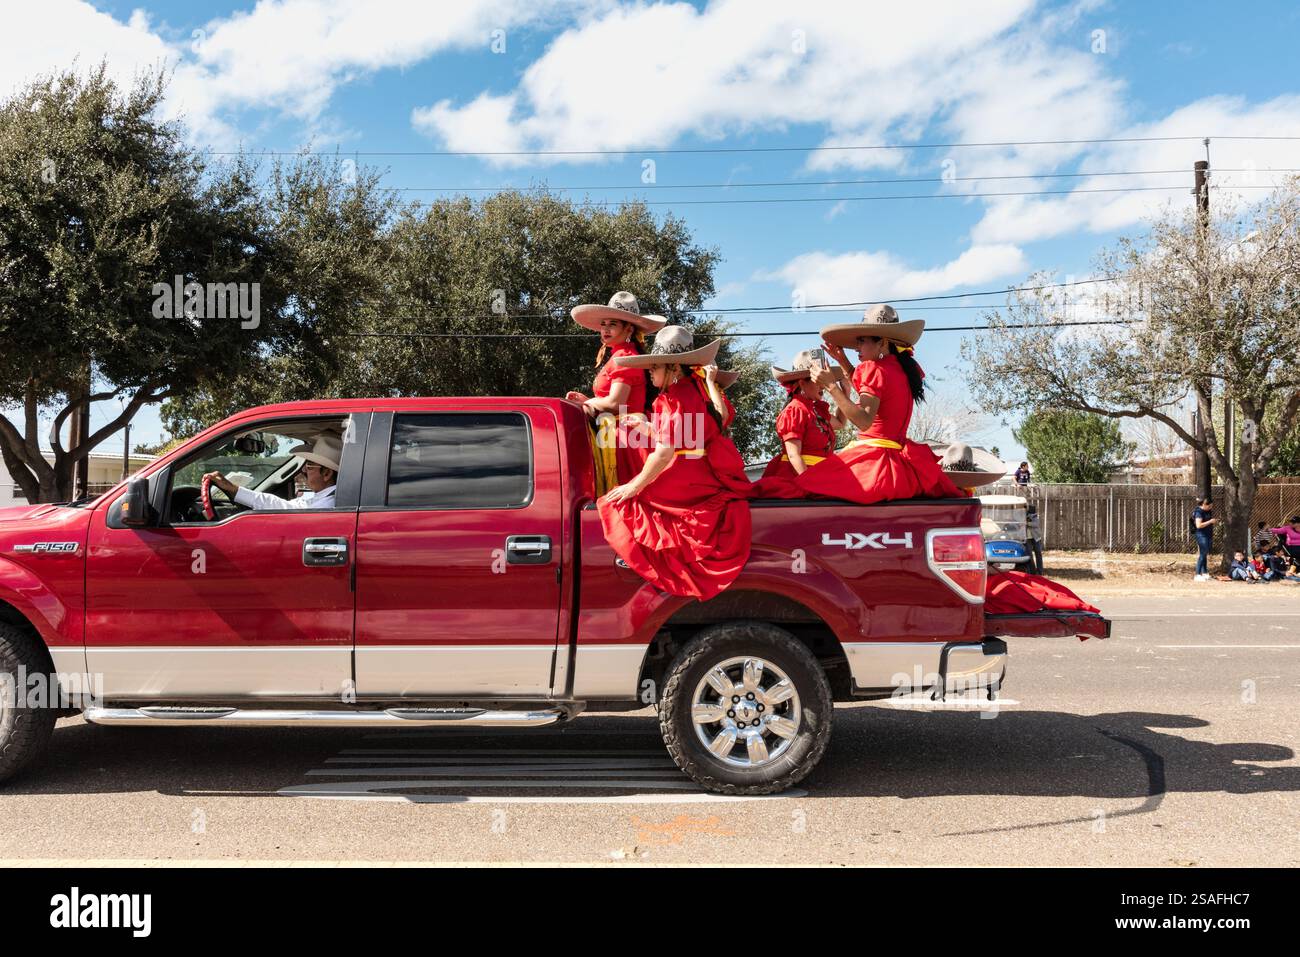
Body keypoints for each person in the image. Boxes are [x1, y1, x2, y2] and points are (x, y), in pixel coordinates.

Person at [597, 326, 752, 600]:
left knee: (615, 504)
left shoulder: (674, 397)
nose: (650, 372)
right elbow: (687, 437)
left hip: (683, 479)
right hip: (699, 475)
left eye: (654, 366)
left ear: (673, 368)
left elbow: (666, 451)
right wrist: (646, 428)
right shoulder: (697, 390)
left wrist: (633, 486)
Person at [792, 305, 970, 503]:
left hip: (874, 462)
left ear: (882, 342)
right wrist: (843, 361)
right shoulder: (900, 369)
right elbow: (873, 390)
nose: (856, 347)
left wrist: (832, 387)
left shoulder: (874, 369)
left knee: (802, 486)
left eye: (861, 341)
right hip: (900, 461)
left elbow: (864, 421)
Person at [567, 291, 667, 486]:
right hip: (618, 433)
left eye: (612, 324)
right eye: (603, 324)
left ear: (629, 329)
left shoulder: (626, 357)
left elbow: (615, 403)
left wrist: (587, 402)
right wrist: (587, 400)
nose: (605, 329)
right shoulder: (619, 355)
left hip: (626, 438)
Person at [751, 350, 848, 497]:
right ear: (802, 383)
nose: (823, 386)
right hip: (800, 479)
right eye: (818, 380)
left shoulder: (816, 410)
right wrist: (811, 487)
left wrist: (845, 393)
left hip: (821, 476)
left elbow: (840, 423)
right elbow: (793, 455)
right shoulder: (795, 410)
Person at [204, 435, 341, 510]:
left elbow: (283, 507)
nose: (304, 470)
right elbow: (282, 505)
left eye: (310, 466)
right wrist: (234, 489)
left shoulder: (326, 506)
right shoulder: (325, 499)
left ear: (327, 474)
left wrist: (234, 489)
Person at [1191, 497, 1215, 581]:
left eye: (1211, 506)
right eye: (1209, 506)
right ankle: (1197, 574)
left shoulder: (1208, 511)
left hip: (1208, 535)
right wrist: (1210, 522)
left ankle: (1204, 573)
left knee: (1204, 554)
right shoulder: (1198, 512)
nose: (1210, 508)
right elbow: (1198, 525)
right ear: (1204, 504)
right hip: (1201, 535)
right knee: (1202, 554)